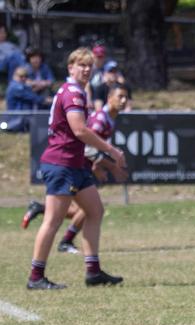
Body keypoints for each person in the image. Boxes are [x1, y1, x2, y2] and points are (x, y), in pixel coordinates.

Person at [26, 47, 126, 290]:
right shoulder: (73, 92)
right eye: (81, 65)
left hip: (74, 164)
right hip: (62, 164)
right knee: (52, 220)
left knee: (94, 211)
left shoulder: (76, 91)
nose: (86, 69)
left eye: (89, 65)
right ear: (70, 67)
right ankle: (35, 276)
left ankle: (93, 272)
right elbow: (80, 130)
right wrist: (111, 151)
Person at [21, 84, 130, 256]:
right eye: (120, 96)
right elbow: (86, 145)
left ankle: (44, 214)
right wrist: (105, 165)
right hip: (76, 166)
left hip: (82, 166)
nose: (123, 101)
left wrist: (100, 164)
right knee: (80, 212)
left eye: (126, 97)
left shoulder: (110, 117)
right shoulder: (101, 118)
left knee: (89, 210)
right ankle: (63, 245)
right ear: (109, 97)